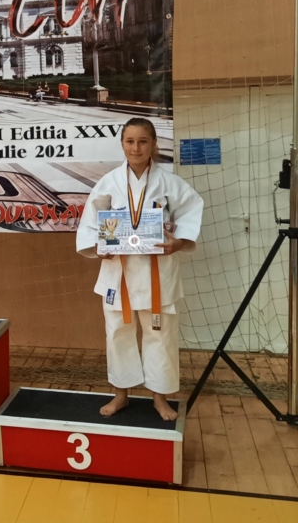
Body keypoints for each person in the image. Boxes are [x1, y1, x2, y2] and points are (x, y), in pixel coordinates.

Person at [76, 117, 203, 421]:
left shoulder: (169, 183)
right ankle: (121, 395)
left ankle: (160, 398)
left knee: (160, 335)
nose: (136, 148)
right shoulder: (109, 183)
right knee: (117, 333)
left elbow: (190, 210)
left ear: (153, 144)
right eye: (130, 141)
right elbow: (91, 222)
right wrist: (99, 247)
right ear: (122, 144)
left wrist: (179, 242)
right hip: (118, 273)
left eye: (143, 141)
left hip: (157, 272)